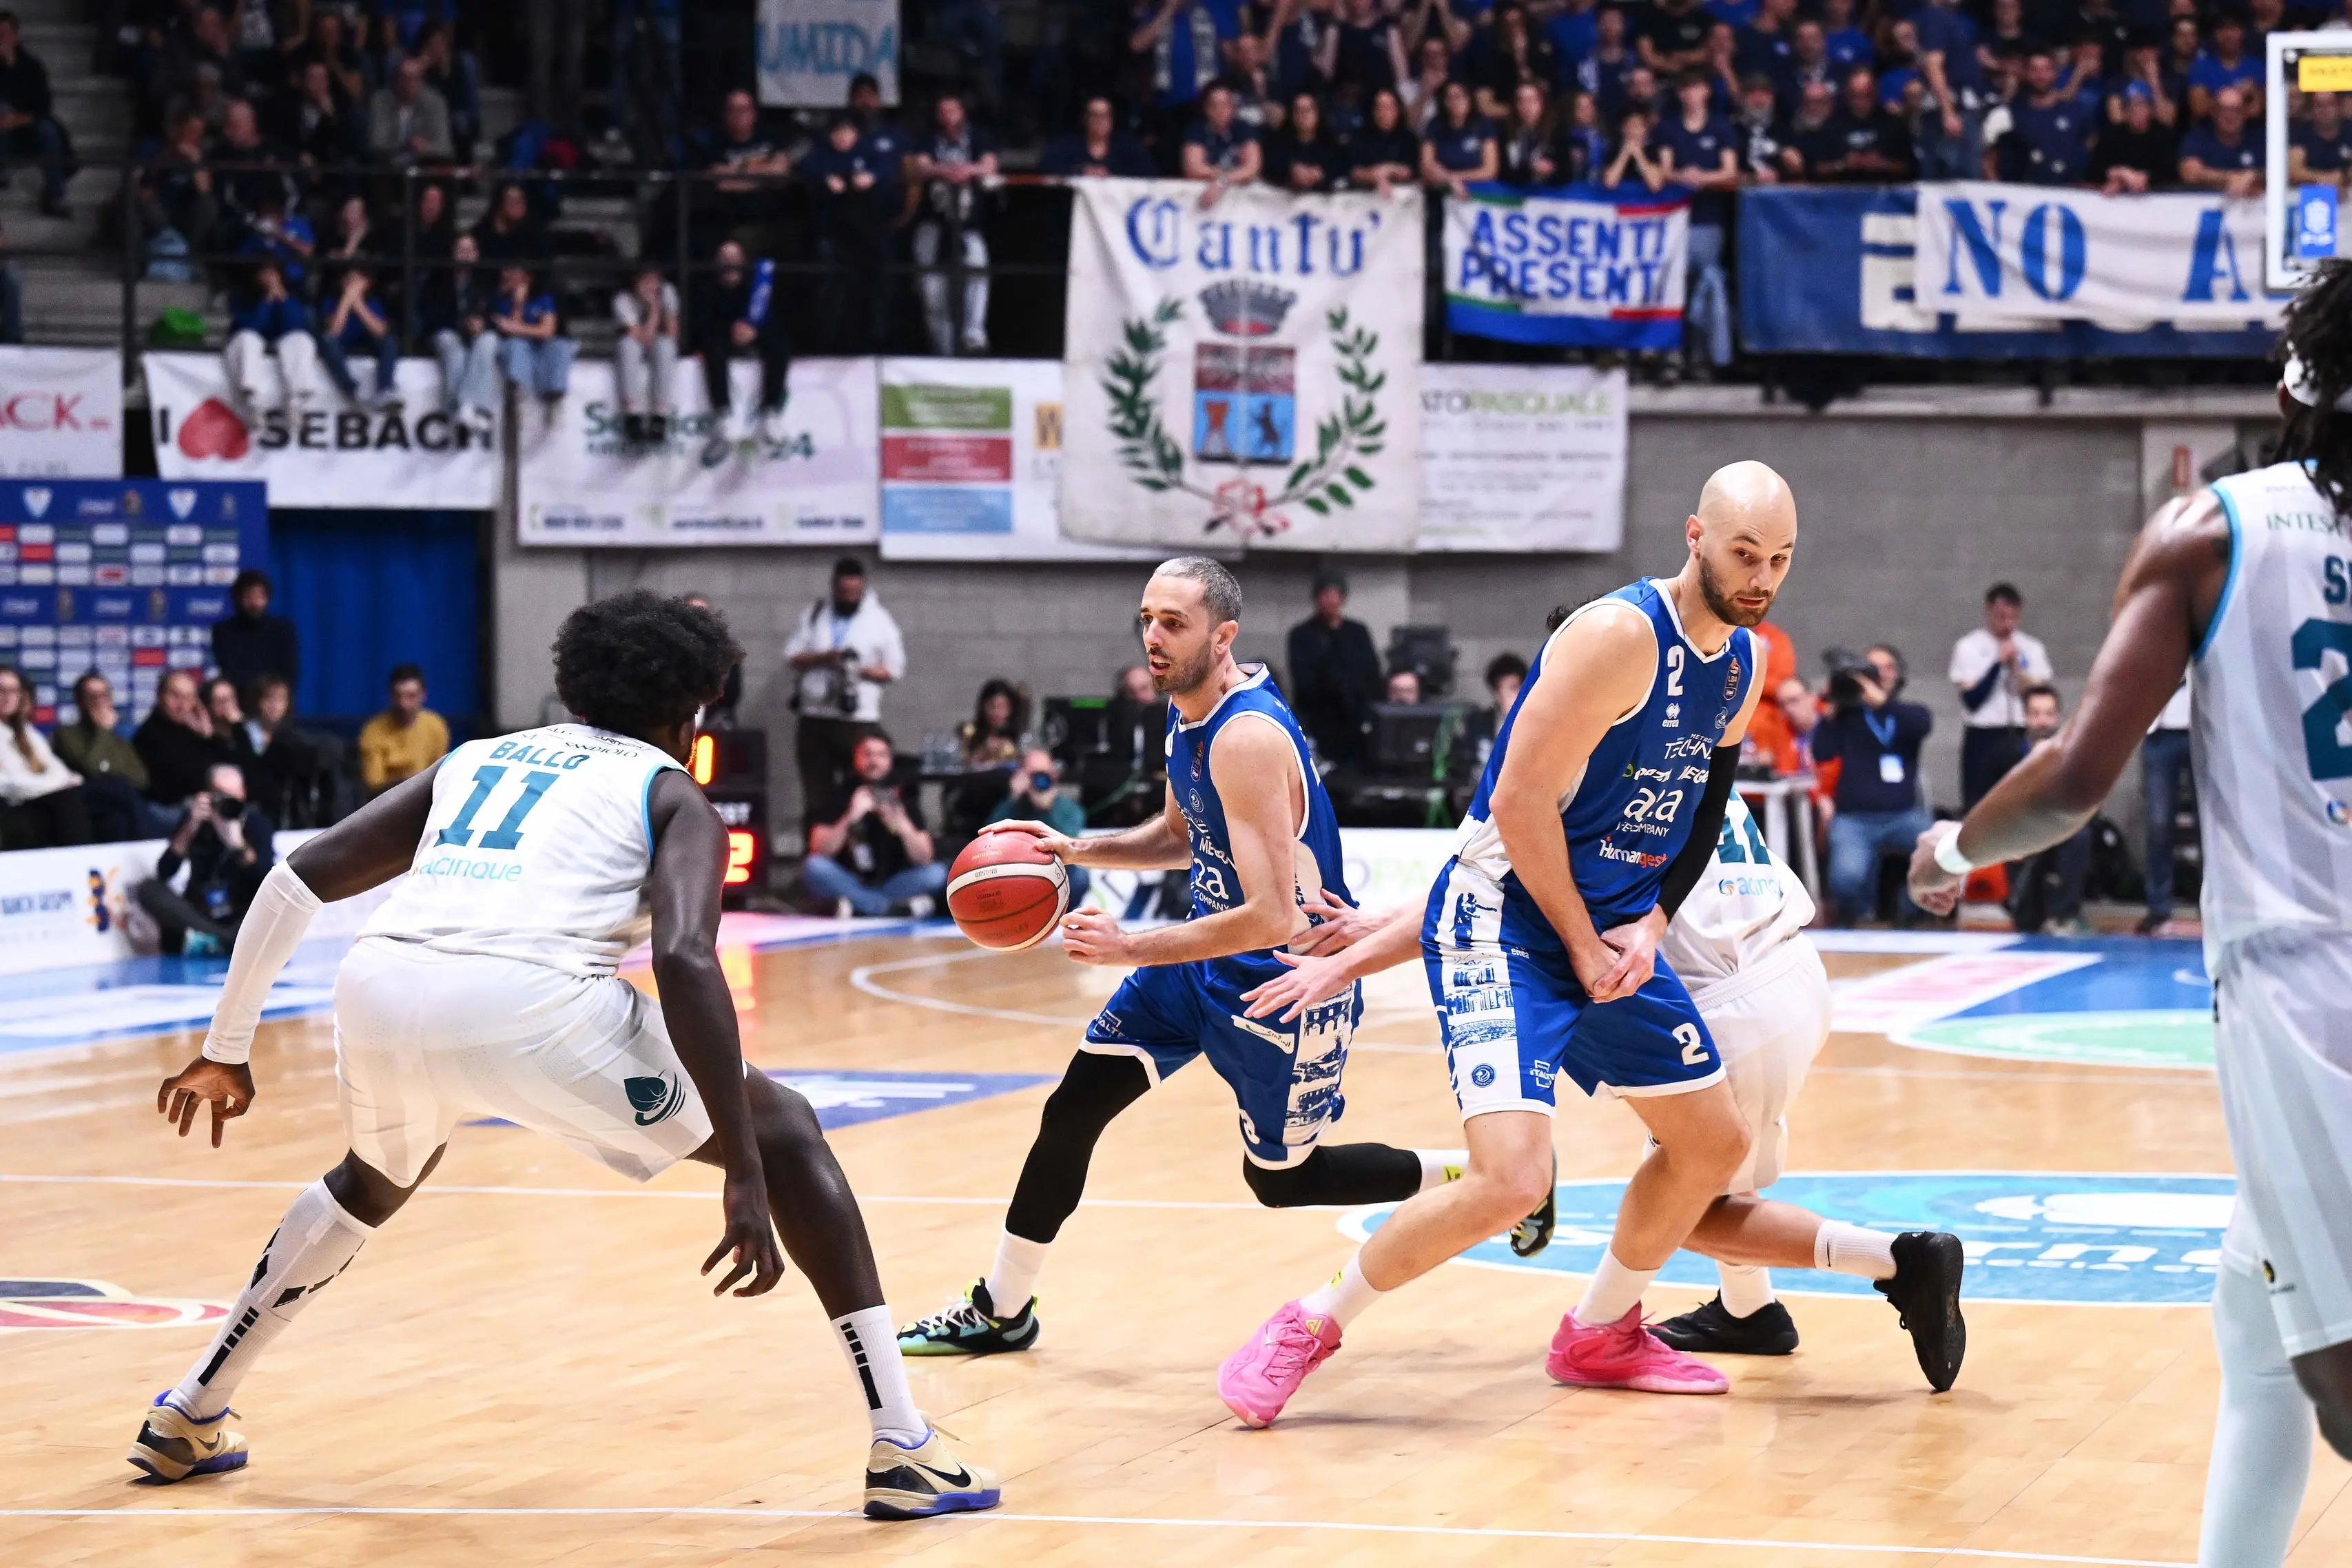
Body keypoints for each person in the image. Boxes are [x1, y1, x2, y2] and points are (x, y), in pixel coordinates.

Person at [128, 591, 1000, 1520]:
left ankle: (193, 1407)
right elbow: (684, 955)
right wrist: (742, 1164)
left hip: (380, 985)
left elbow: (296, 875)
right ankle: (903, 1443)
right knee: (786, 1127)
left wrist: (226, 1048)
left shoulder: (476, 756)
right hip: (529, 1002)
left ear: (572, 685)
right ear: (697, 705)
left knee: (372, 1180)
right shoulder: (673, 794)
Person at [1213, 466, 1903, 1429]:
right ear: (1695, 534)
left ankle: (1600, 1333)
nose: (1759, 577)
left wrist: (1651, 922)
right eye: (1743, 553)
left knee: (1713, 1144)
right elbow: (1514, 806)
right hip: (1507, 926)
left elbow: (1703, 807)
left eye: (1779, 560)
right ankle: (1307, 1323)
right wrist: (1581, 942)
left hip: (1610, 928)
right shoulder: (1617, 636)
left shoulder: (1739, 665)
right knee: (1511, 1181)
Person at [1905, 260, 2352, 1568]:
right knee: (2252, 1326)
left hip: (2299, 989)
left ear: (2291, 379)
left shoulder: (2211, 529)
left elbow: (2074, 778)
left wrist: (1951, 846)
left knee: (2339, 1387)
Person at [896, 558, 1524, 1359]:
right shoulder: (1188, 709)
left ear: (1223, 637)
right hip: (1197, 964)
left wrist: (1127, 944)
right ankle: (1001, 1307)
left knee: (1280, 1181)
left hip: (1284, 983)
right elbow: (1180, 835)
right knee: (1074, 1107)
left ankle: (1482, 1181)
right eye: (1148, 619)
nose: (1153, 638)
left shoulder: (1246, 736)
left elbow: (1270, 916)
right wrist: (1077, 847)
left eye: (1174, 623)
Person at [1250, 792, 1966, 1385]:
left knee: (1681, 1203)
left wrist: (1357, 957)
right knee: (1705, 1177)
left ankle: (1899, 1258)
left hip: (1729, 999)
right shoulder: (1670, 747)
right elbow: (1482, 875)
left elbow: (1495, 899)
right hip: (1788, 969)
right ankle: (1748, 1310)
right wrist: (1379, 922)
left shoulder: (1581, 771)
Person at [1812, 645, 1932, 925]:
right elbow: (1821, 753)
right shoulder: (1848, 715)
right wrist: (1830, 713)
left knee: (1940, 852)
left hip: (1904, 815)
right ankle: (1860, 914)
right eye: (1872, 668)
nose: (1878, 674)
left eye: (1886, 667)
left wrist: (1883, 703)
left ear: (1897, 675)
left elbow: (1921, 727)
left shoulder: (1908, 713)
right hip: (1855, 819)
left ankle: (1909, 909)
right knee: (1845, 879)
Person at [784, 558, 905, 832]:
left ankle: (862, 852)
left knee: (861, 786)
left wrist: (857, 669)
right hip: (816, 715)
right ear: (835, 587)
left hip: (858, 719)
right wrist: (825, 658)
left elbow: (894, 669)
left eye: (854, 592)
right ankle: (814, 857)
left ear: (862, 589)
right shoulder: (816, 613)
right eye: (843, 591)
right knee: (816, 792)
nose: (848, 597)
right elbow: (792, 656)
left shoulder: (879, 621)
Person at [800, 733, 947, 918]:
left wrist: (901, 824)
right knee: (814, 867)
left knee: (937, 874)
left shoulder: (904, 796)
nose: (874, 761)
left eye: (881, 755)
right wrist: (850, 816)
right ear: (856, 758)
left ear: (890, 760)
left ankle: (860, 907)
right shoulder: (840, 795)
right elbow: (819, 850)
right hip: (851, 880)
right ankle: (888, 909)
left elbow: (925, 858)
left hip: (895, 882)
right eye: (867, 754)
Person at [134, 762, 271, 955]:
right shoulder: (196, 820)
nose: (229, 800)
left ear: (243, 794)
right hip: (202, 912)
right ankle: (224, 941)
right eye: (222, 794)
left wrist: (239, 846)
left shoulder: (257, 823)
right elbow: (164, 871)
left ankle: (215, 941)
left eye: (234, 793)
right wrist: (190, 827)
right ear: (208, 795)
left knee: (276, 904)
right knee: (149, 889)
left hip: (243, 913)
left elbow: (267, 879)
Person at [1658, 68, 1737, 373]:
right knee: (1675, 286)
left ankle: (1707, 355)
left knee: (1709, 284)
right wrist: (1682, 176)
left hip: (1708, 219)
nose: (1692, 95)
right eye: (1687, 89)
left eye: (1698, 88)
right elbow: (1664, 171)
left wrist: (1703, 178)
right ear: (1680, 94)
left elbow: (1730, 170)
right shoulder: (1669, 128)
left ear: (1706, 92)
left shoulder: (1720, 128)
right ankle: (1673, 354)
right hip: (1676, 218)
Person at [906, 93, 997, 357]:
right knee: (931, 288)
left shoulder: (978, 137)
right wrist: (946, 171)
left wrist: (968, 171)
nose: (948, 116)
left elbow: (990, 165)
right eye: (943, 111)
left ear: (963, 112)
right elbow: (921, 167)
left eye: (953, 110)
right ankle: (943, 348)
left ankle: (973, 336)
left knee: (979, 272)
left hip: (969, 225)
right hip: (932, 224)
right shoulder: (927, 138)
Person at [688, 240, 792, 467]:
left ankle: (770, 412)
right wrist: (731, 328)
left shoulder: (756, 288)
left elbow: (773, 319)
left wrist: (754, 329)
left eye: (734, 257)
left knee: (779, 347)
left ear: (743, 262)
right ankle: (723, 416)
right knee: (712, 348)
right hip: (722, 337)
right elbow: (701, 324)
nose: (730, 263)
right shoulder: (706, 287)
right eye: (724, 257)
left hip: (752, 335)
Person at [1950, 581, 2053, 809]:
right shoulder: (1968, 647)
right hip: (1983, 734)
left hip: (2019, 732)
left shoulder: (2031, 647)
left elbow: (2037, 695)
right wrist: (1997, 664)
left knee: (2021, 802)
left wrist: (2016, 667)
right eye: (2001, 617)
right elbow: (1972, 700)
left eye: (2013, 617)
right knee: (1978, 802)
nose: (2007, 624)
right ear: (1988, 613)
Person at [2001, 685, 2090, 936]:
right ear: (2026, 717)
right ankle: (2022, 906)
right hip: (2021, 835)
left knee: (2081, 837)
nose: (2042, 721)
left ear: (2058, 717)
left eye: (2049, 714)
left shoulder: (2073, 754)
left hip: (2061, 829)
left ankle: (2065, 913)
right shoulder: (2005, 755)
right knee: (2026, 922)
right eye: (2036, 714)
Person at [1285, 572, 1384, 767]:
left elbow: (1371, 673)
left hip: (1355, 719)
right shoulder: (1302, 635)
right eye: (1326, 595)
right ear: (1317, 599)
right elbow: (1303, 680)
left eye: (1335, 595)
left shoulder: (1357, 632)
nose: (1331, 600)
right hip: (1319, 719)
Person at [54, 672, 161, 840]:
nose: (99, 701)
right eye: (92, 696)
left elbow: (141, 779)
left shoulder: (118, 740)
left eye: (104, 695)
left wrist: (108, 768)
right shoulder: (66, 734)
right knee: (119, 784)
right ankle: (152, 845)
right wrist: (103, 731)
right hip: (80, 801)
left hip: (112, 805)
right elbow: (91, 768)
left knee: (118, 820)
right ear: (80, 701)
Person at [0, 664, 91, 848]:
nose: (8, 697)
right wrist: (57, 785)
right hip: (15, 806)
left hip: (43, 799)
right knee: (68, 801)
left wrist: (62, 782)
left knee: (114, 796)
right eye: (1, 690)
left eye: (13, 691)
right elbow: (10, 785)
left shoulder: (25, 730)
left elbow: (57, 768)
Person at [987, 748, 1093, 904]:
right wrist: (1013, 797)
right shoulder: (1015, 805)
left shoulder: (1070, 809)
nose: (1039, 780)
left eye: (1044, 773)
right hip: (1019, 871)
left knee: (1080, 878)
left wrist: (1046, 808)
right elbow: (989, 835)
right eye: (1033, 774)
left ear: (1054, 775)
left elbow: (1068, 844)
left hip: (1057, 871)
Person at [0, 11, 73, 216]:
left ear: (15, 37)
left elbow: (43, 108)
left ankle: (54, 195)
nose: (1, 40)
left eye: (5, 34)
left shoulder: (32, 67)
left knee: (48, 130)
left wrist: (17, 120)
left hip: (24, 133)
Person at [223, 260, 320, 413]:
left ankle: (297, 396)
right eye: (264, 273)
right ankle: (250, 396)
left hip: (282, 340)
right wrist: (266, 302)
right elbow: (253, 325)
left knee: (301, 339)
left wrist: (283, 299)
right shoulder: (243, 296)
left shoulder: (294, 295)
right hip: (252, 339)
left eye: (273, 273)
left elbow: (294, 325)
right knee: (249, 339)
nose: (269, 278)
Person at [424, 232, 497, 420]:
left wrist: (483, 323)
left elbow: (495, 311)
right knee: (455, 351)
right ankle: (457, 410)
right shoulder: (438, 278)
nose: (466, 254)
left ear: (477, 254)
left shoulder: (486, 280)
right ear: (453, 253)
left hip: (477, 334)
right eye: (461, 250)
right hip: (446, 331)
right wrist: (462, 323)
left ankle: (469, 406)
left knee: (489, 341)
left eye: (470, 250)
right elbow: (431, 315)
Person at [136, 668, 234, 808]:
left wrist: (209, 736)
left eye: (189, 698)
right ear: (160, 696)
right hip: (171, 808)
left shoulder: (194, 731)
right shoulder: (150, 734)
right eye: (176, 696)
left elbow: (232, 767)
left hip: (203, 802)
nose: (182, 705)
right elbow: (190, 778)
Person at [2140, 678, 2191, 936]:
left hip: (2202, 729)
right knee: (2159, 824)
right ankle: (2159, 908)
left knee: (2213, 825)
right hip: (2159, 734)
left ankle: (2219, 906)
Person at [611, 263, 679, 444]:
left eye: (655, 280)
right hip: (637, 341)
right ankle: (632, 416)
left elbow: (673, 333)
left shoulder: (667, 291)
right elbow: (642, 337)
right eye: (646, 281)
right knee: (627, 346)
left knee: (667, 346)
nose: (651, 285)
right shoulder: (623, 299)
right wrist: (654, 309)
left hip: (658, 341)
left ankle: (660, 417)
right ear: (636, 281)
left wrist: (657, 306)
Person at [356, 663, 449, 796]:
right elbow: (374, 785)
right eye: (398, 696)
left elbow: (440, 775)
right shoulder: (373, 731)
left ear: (423, 695)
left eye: (411, 696)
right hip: (387, 802)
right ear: (390, 696)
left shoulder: (436, 725)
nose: (403, 704)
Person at [318, 265, 400, 407]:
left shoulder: (373, 301)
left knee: (389, 341)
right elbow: (334, 331)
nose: (351, 284)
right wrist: (347, 300)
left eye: (356, 280)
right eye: (348, 280)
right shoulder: (330, 301)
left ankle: (386, 389)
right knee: (328, 341)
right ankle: (350, 389)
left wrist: (358, 304)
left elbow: (381, 332)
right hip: (341, 343)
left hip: (366, 341)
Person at [491, 266, 574, 404]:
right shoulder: (501, 301)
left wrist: (517, 328)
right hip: (515, 349)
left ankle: (553, 394)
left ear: (527, 278)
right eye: (507, 271)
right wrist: (518, 305)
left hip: (541, 347)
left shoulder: (543, 298)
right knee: (517, 344)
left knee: (561, 345)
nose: (507, 275)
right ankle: (515, 392)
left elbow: (547, 331)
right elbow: (508, 332)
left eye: (513, 271)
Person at [210, 570, 300, 699]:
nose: (255, 603)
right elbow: (230, 671)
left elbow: (289, 673)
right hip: (239, 701)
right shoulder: (223, 631)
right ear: (238, 598)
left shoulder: (283, 630)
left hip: (276, 702)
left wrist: (273, 698)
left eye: (260, 597)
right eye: (249, 597)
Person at [364, 54, 452, 165]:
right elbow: (375, 143)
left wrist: (426, 148)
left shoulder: (435, 103)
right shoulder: (381, 101)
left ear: (422, 81)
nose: (409, 84)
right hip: (388, 168)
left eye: (415, 78)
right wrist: (404, 145)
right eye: (405, 78)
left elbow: (445, 147)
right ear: (396, 80)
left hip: (424, 166)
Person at [2179, 84, 2263, 198]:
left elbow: (2286, 170)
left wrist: (2254, 177)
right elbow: (2190, 173)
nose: (2230, 116)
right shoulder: (2199, 136)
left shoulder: (2260, 137)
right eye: (2224, 110)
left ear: (2245, 113)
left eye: (2236, 110)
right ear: (2214, 112)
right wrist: (2231, 178)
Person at [1040, 94, 1155, 176]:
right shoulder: (1067, 146)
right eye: (1094, 116)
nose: (1100, 121)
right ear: (1084, 119)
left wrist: (1111, 175)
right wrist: (1081, 171)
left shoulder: (1127, 146)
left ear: (1112, 120)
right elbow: (1047, 169)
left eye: (1105, 116)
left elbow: (1149, 174)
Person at [1183, 81, 1264, 189]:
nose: (1220, 111)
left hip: (1240, 189)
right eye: (1214, 106)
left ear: (1232, 108)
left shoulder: (1243, 128)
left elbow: (1252, 168)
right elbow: (1193, 168)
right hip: (1206, 187)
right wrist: (1228, 175)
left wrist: (1223, 181)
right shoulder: (1196, 130)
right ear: (1206, 109)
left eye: (1225, 105)